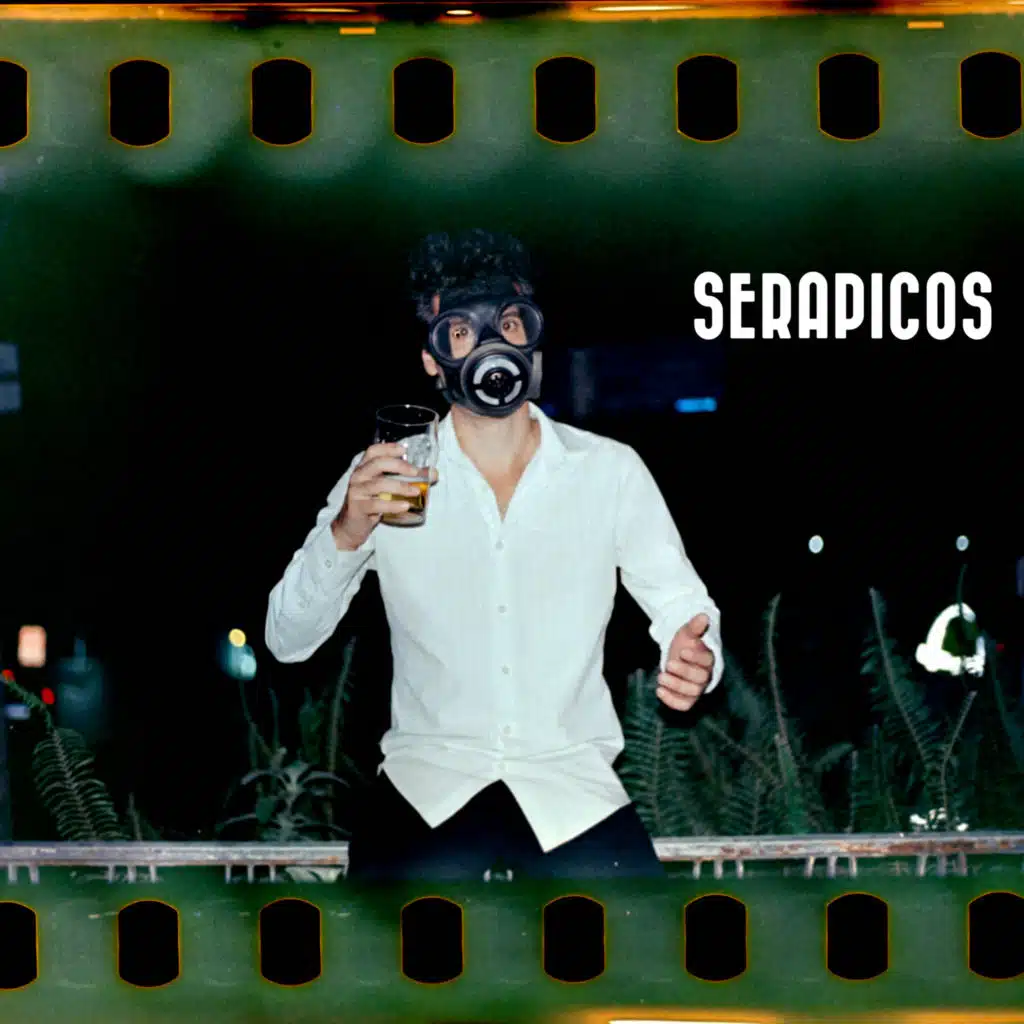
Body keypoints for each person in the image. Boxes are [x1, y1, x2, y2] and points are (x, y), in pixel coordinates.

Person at [265, 229, 723, 882]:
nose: (490, 344)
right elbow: (286, 640)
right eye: (461, 330)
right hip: (428, 787)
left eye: (508, 322)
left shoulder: (608, 471)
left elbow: (684, 606)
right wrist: (346, 531)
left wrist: (697, 655)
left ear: (532, 336)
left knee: (648, 943)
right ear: (432, 358)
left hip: (571, 791)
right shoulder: (388, 476)